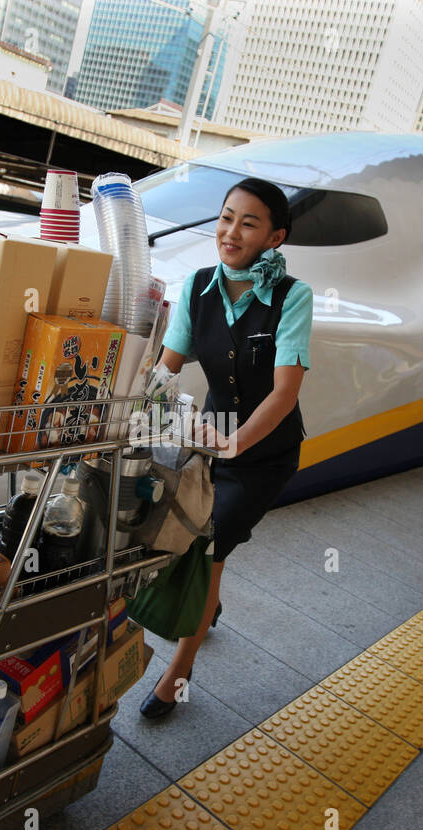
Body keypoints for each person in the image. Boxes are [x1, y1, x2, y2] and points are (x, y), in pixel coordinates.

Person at [138, 177, 312, 719]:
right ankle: (206, 607)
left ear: (275, 236)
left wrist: (235, 443)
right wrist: (142, 407)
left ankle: (178, 672)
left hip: (263, 455)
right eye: (226, 216)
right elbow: (167, 369)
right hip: (207, 449)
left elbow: (285, 394)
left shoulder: (292, 297)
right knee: (193, 537)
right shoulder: (196, 288)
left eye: (249, 222)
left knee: (209, 544)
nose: (230, 231)